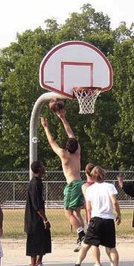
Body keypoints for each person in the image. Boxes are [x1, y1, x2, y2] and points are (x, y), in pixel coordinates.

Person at [40, 105, 86, 252]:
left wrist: (46, 127)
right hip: (80, 183)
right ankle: (82, 238)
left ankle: (82, 235)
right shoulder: (77, 152)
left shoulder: (64, 154)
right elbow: (71, 135)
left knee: (68, 212)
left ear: (66, 147)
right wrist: (63, 118)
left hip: (72, 185)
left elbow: (51, 141)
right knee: (77, 213)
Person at [69, 165, 122, 266]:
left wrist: (90, 219)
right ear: (103, 175)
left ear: (92, 177)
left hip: (95, 220)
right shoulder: (110, 187)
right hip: (108, 220)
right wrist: (118, 214)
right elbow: (115, 202)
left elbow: (88, 207)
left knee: (85, 245)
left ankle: (77, 265)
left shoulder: (90, 189)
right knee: (111, 247)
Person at [25, 161, 52, 266]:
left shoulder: (39, 182)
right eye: (42, 166)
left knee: (44, 238)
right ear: (39, 169)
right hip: (33, 218)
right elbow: (36, 205)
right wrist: (45, 219)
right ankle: (33, 265)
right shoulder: (34, 184)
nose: (44, 167)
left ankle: (39, 263)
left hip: (40, 217)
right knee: (34, 241)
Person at [82, 163, 103, 266]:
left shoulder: (86, 186)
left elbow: (88, 204)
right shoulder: (101, 185)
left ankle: (97, 264)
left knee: (93, 243)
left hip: (93, 216)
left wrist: (89, 220)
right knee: (108, 245)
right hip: (104, 216)